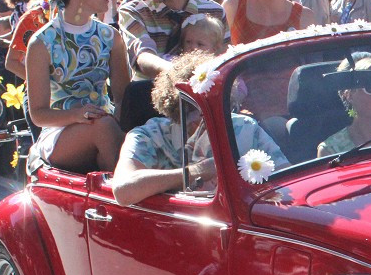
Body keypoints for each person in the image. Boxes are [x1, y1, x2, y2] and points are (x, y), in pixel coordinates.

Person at [111, 52, 287, 206]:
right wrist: (198, 171)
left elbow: (286, 181)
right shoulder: (148, 136)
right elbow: (123, 190)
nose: (202, 120)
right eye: (192, 111)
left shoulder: (244, 128)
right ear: (174, 109)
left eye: (214, 107)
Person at [26, 0, 129, 173]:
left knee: (116, 130)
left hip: (105, 124)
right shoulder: (41, 42)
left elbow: (123, 98)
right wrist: (77, 115)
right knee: (103, 127)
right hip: (59, 133)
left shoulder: (111, 36)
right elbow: (39, 114)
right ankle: (127, 196)